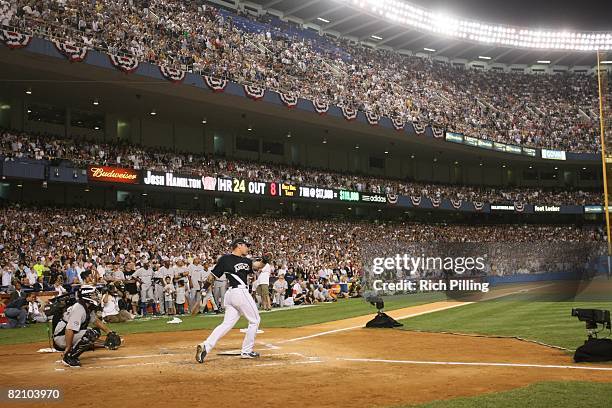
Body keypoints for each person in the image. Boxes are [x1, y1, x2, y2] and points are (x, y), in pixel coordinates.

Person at [195, 238, 264, 363]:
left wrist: (265, 261)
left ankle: (206, 345)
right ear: (238, 245)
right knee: (255, 320)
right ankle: (247, 351)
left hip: (231, 295)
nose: (247, 248)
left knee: (226, 324)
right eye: (246, 245)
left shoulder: (246, 260)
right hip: (240, 292)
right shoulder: (225, 259)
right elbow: (213, 276)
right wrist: (204, 288)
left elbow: (257, 266)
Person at [53, 285, 114, 367]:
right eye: (93, 294)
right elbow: (69, 329)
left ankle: (72, 352)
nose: (96, 296)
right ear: (86, 295)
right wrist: (68, 348)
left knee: (95, 331)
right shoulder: (79, 308)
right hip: (61, 337)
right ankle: (69, 357)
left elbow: (95, 321)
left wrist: (109, 332)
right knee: (90, 334)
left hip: (66, 335)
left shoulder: (86, 306)